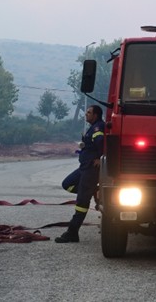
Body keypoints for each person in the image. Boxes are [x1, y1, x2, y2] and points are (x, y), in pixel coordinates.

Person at [55, 104, 104, 243]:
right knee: (67, 184)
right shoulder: (92, 127)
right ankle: (93, 190)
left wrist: (100, 158)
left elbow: (101, 142)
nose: (86, 114)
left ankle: (72, 232)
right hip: (84, 167)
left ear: (95, 115)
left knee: (82, 202)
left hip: (90, 169)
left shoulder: (98, 127)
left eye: (89, 112)